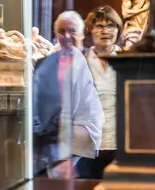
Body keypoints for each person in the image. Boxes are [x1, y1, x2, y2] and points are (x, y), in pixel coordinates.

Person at [32, 11, 104, 177]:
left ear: (81, 33)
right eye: (62, 31)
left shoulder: (93, 60)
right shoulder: (43, 63)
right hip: (50, 144)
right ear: (55, 34)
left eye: (72, 30)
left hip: (85, 144)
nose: (67, 35)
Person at [82, 5, 123, 178]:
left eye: (111, 25)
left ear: (118, 30)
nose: (105, 31)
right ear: (91, 30)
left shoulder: (127, 61)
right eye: (99, 26)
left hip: (119, 142)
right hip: (88, 144)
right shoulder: (80, 62)